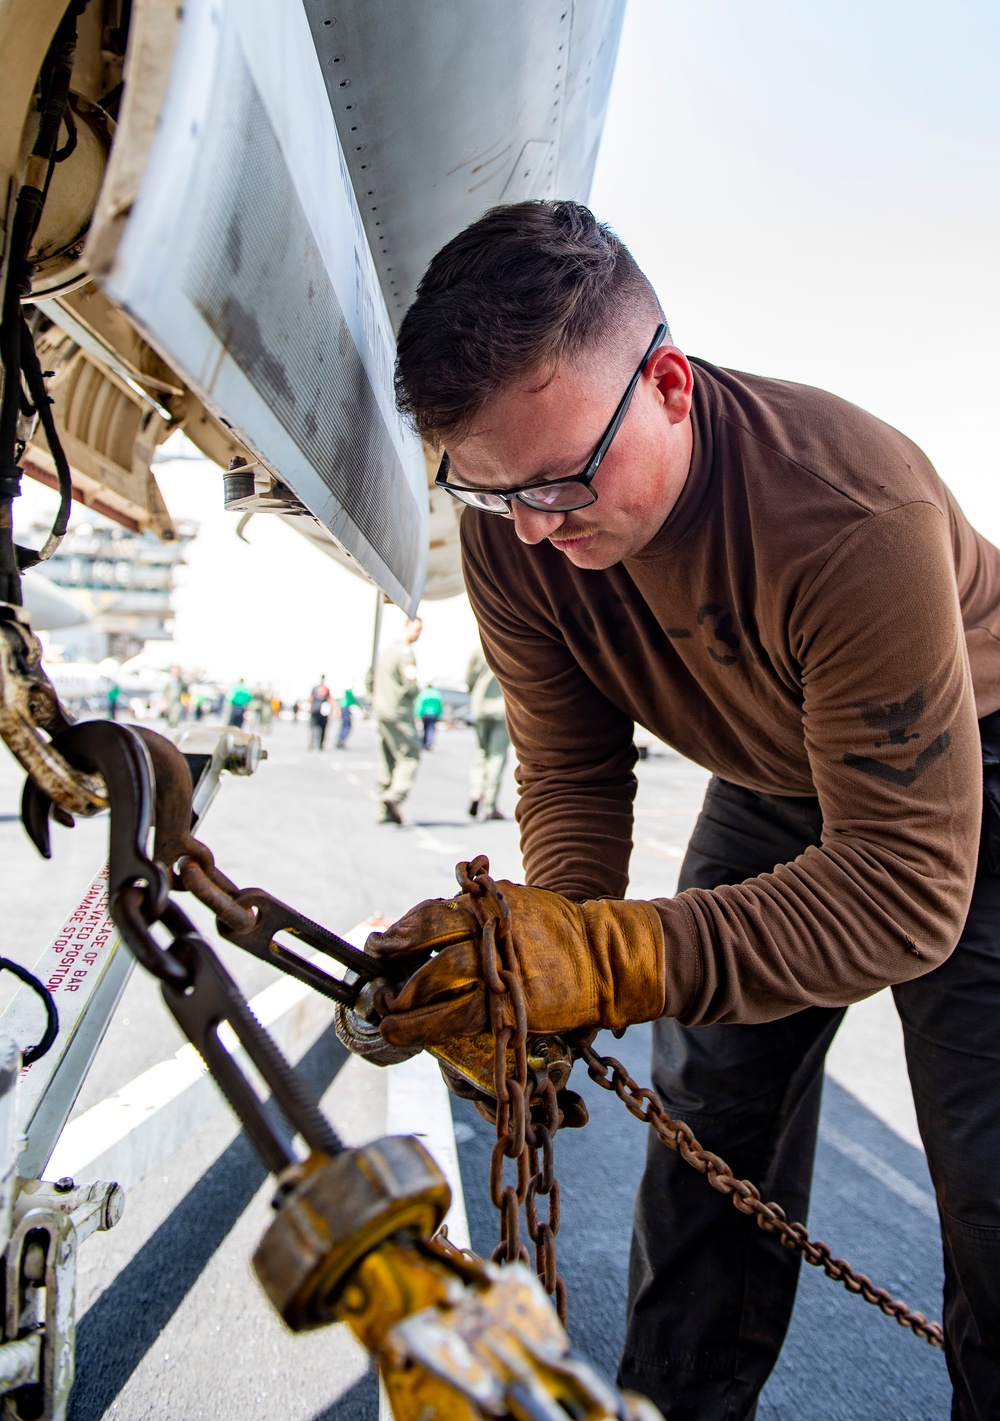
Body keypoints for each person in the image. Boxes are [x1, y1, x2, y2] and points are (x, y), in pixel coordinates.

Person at [369, 201, 1000, 1421]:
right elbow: (570, 770)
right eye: (494, 493)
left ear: (667, 383)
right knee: (706, 1126)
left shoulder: (848, 508)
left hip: (966, 768)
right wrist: (548, 942)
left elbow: (900, 888)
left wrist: (606, 959)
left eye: (559, 480)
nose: (537, 530)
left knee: (989, 1181)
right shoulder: (513, 522)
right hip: (772, 773)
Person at [373, 617, 423, 824]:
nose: (418, 634)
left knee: (386, 758)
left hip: (381, 709)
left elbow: (369, 678)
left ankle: (382, 811)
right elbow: (410, 685)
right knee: (410, 755)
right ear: (407, 626)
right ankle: (395, 795)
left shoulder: (386, 653)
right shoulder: (405, 654)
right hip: (399, 711)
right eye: (417, 629)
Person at [466, 647, 509, 819]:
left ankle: (476, 791)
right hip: (501, 709)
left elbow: (469, 678)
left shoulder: (479, 650)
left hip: (480, 707)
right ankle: (490, 805)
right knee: (497, 757)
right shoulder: (508, 644)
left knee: (481, 752)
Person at [414, 684, 443, 750]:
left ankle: (423, 743)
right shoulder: (437, 694)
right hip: (434, 713)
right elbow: (440, 705)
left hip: (424, 713)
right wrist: (440, 715)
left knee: (424, 728)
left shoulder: (423, 693)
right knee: (431, 729)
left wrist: (417, 715)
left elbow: (419, 705)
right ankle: (429, 743)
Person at [308, 675, 332, 750]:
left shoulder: (315, 688)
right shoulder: (326, 689)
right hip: (322, 711)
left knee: (314, 728)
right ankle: (320, 744)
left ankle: (313, 743)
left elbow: (311, 699)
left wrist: (310, 708)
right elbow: (329, 699)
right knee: (322, 729)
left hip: (316, 710)